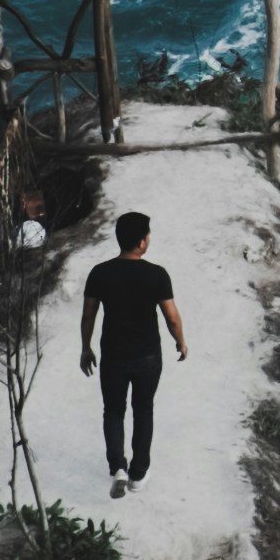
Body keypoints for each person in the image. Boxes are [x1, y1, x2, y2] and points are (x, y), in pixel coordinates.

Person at [79, 209, 187, 497]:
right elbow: (171, 317)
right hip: (148, 357)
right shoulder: (157, 275)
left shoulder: (100, 273)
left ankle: (118, 468)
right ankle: (138, 474)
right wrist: (180, 341)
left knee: (113, 411)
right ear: (142, 242)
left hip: (113, 355)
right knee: (143, 410)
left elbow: (88, 315)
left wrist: (85, 347)